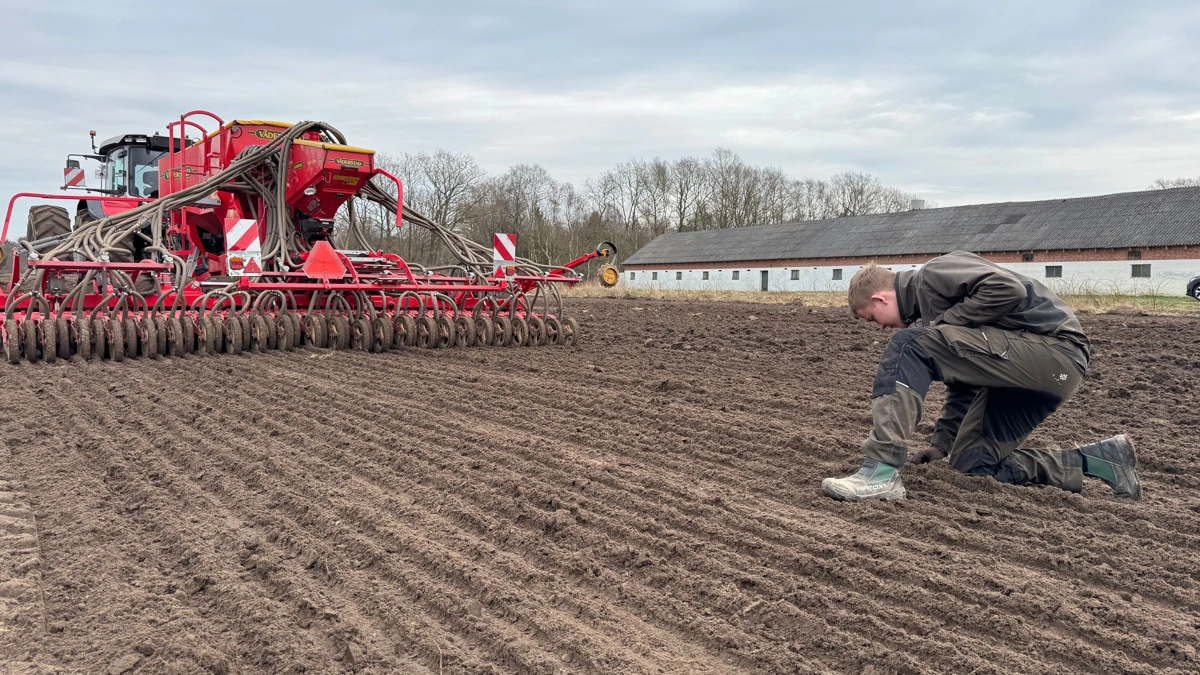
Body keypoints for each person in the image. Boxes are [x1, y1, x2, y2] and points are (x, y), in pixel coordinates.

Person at [822, 251, 1141, 501]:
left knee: (908, 346)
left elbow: (1008, 289)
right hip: (1035, 370)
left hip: (1055, 352)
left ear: (881, 298)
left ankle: (879, 471)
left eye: (872, 318)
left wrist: (945, 325)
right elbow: (967, 378)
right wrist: (941, 445)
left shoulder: (933, 275)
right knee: (973, 465)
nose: (879, 327)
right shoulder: (933, 319)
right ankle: (1100, 461)